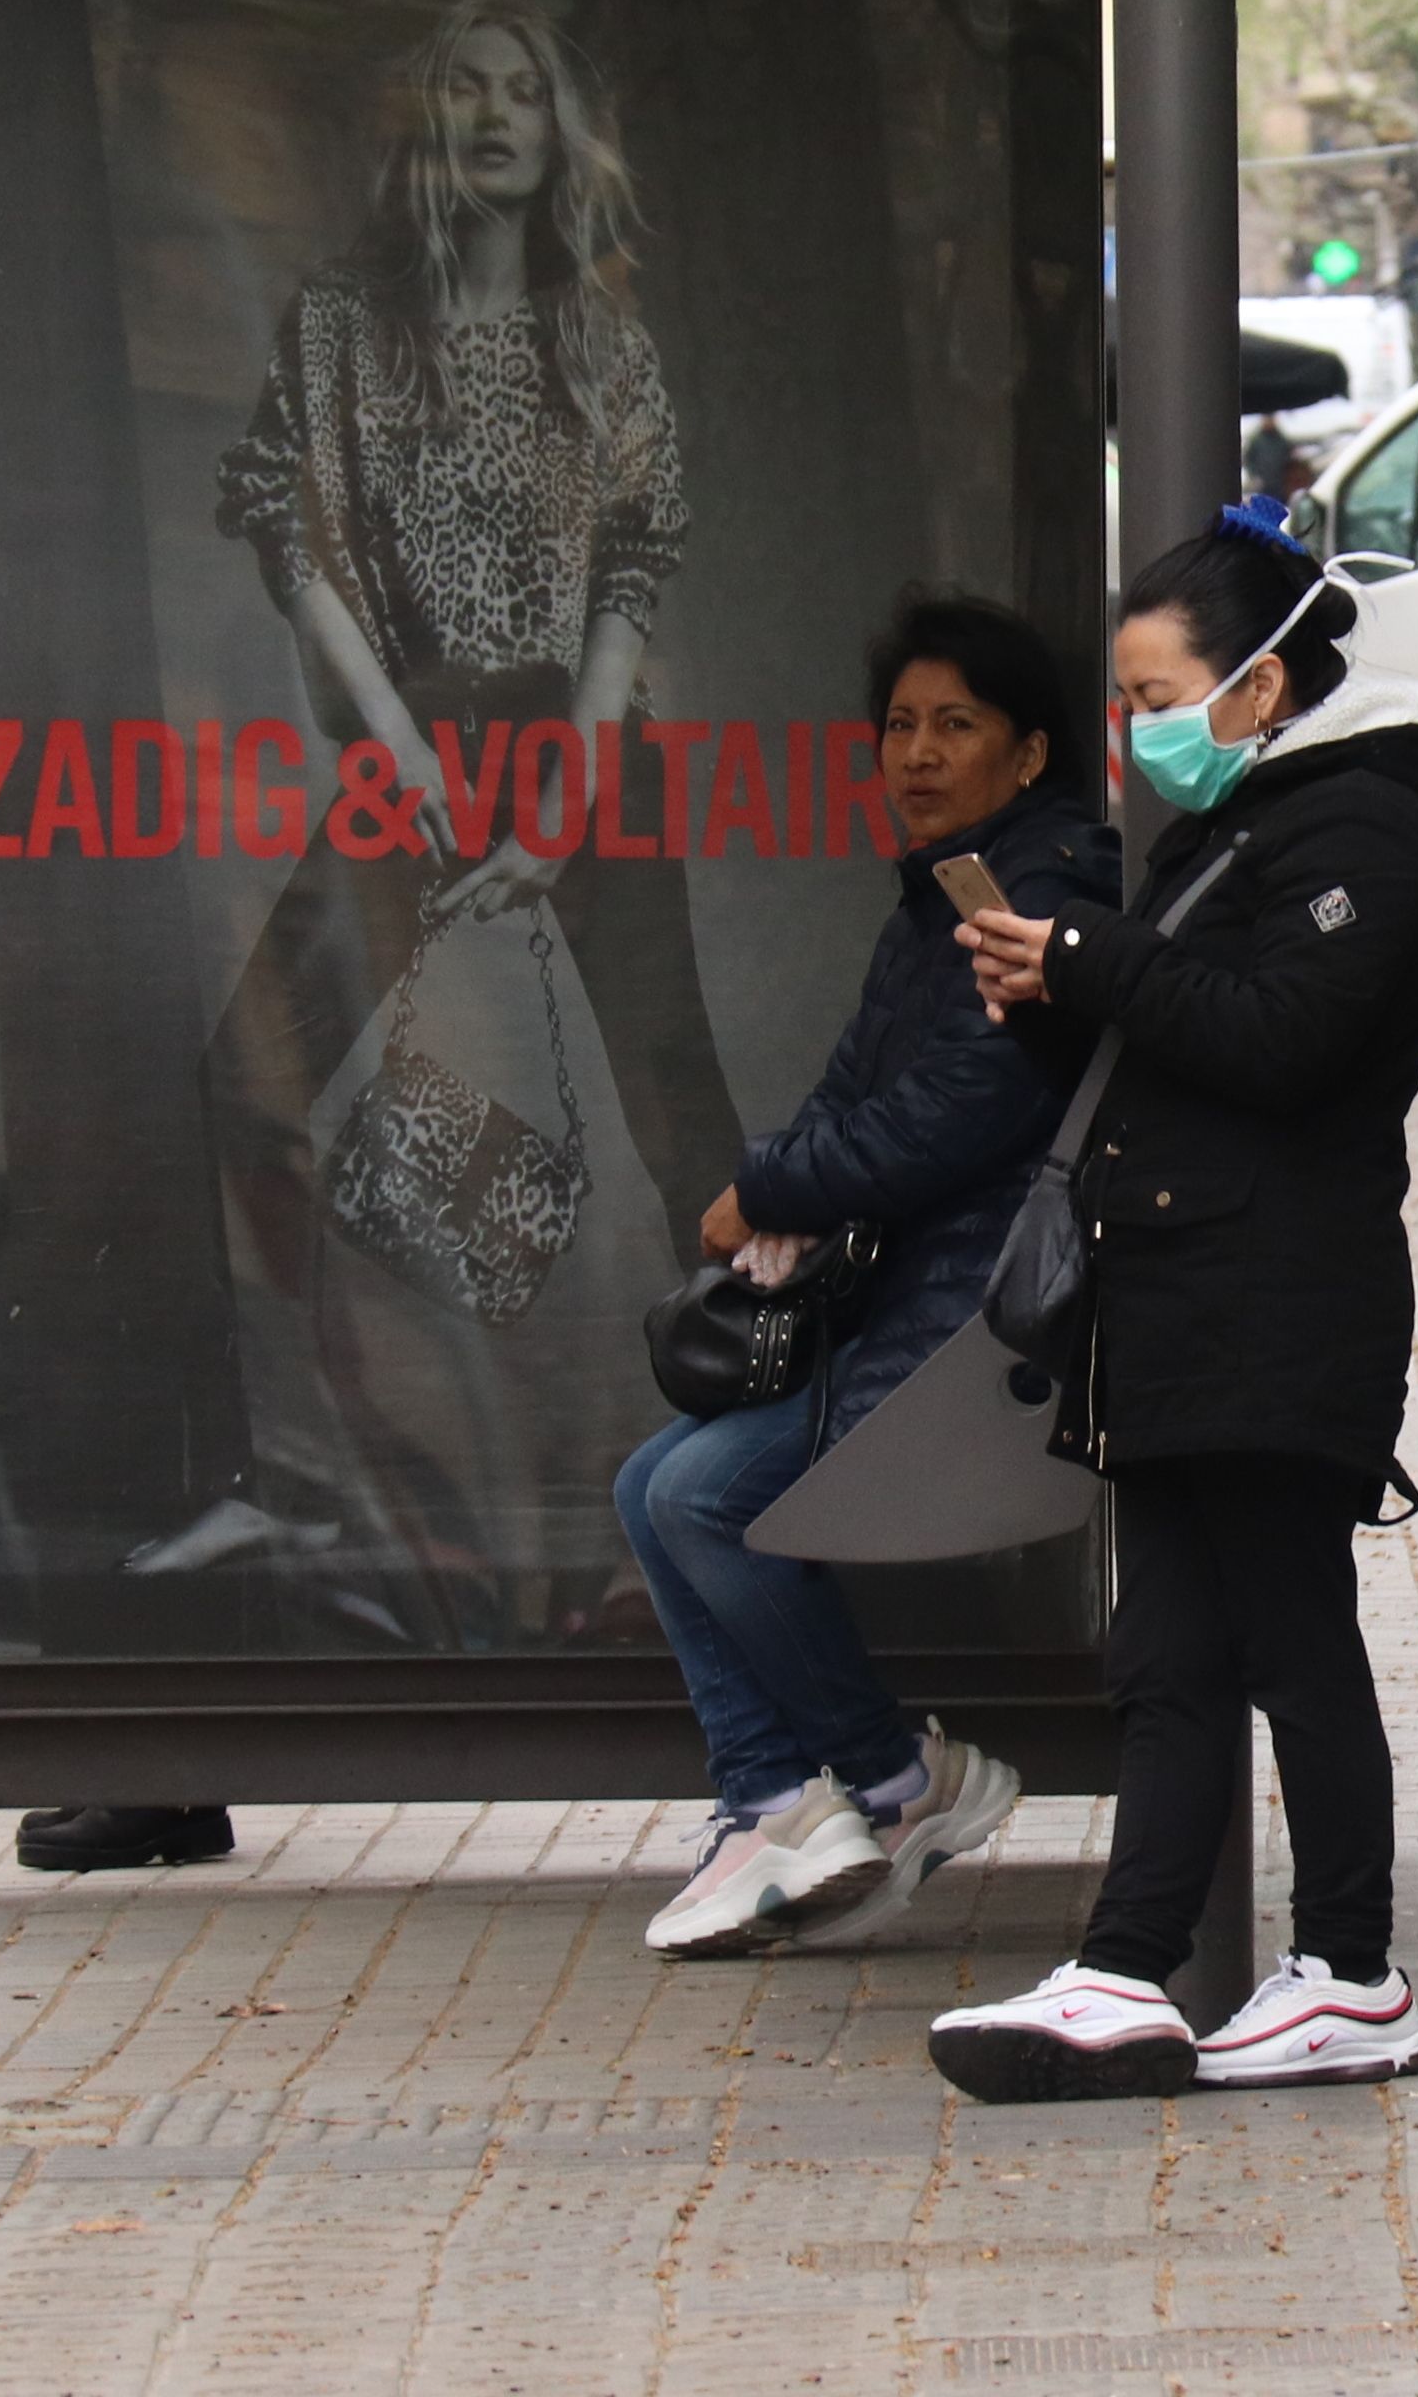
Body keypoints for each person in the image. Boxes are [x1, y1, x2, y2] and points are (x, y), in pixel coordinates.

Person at [178, 0, 751, 1651]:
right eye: (466, 89)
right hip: (407, 735)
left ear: (559, 127)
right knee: (247, 1072)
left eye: (524, 89)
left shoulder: (601, 334)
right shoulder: (345, 319)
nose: (497, 113)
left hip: (585, 747)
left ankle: (739, 1472)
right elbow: (293, 533)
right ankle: (299, 1474)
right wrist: (408, 758)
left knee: (676, 1108)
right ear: (423, 124)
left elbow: (633, 565)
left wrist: (565, 790)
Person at [937, 497, 1418, 2101]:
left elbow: (1282, 1039)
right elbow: (1173, 1045)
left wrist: (1090, 960)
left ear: (1260, 685)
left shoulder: (1363, 832)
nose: (1141, 730)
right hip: (1179, 1300)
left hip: (1272, 1299)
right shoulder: (1239, 831)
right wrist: (1046, 989)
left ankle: (1356, 1973)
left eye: (1163, 698)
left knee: (1290, 1635)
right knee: (1167, 1648)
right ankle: (1127, 1964)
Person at [615, 598, 1118, 1958]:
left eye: (956, 724)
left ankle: (869, 1782)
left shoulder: (1033, 898)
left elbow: (963, 1109)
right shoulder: (941, 897)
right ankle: (798, 1798)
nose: (917, 751)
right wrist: (775, 1185)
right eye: (900, 723)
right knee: (648, 1486)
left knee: (701, 1495)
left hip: (980, 1328)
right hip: (914, 1307)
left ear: (1026, 756)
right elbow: (855, 1090)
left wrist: (769, 1189)